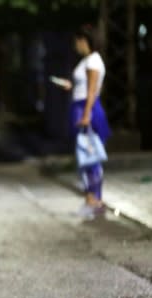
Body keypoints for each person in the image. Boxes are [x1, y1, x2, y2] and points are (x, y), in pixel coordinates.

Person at [52, 26, 111, 217]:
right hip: (82, 107)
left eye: (77, 41)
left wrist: (86, 115)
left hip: (87, 109)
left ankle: (92, 201)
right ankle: (94, 201)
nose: (75, 45)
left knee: (89, 157)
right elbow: (85, 86)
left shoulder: (93, 61)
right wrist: (71, 85)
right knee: (88, 156)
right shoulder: (87, 61)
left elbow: (92, 91)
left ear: (85, 40)